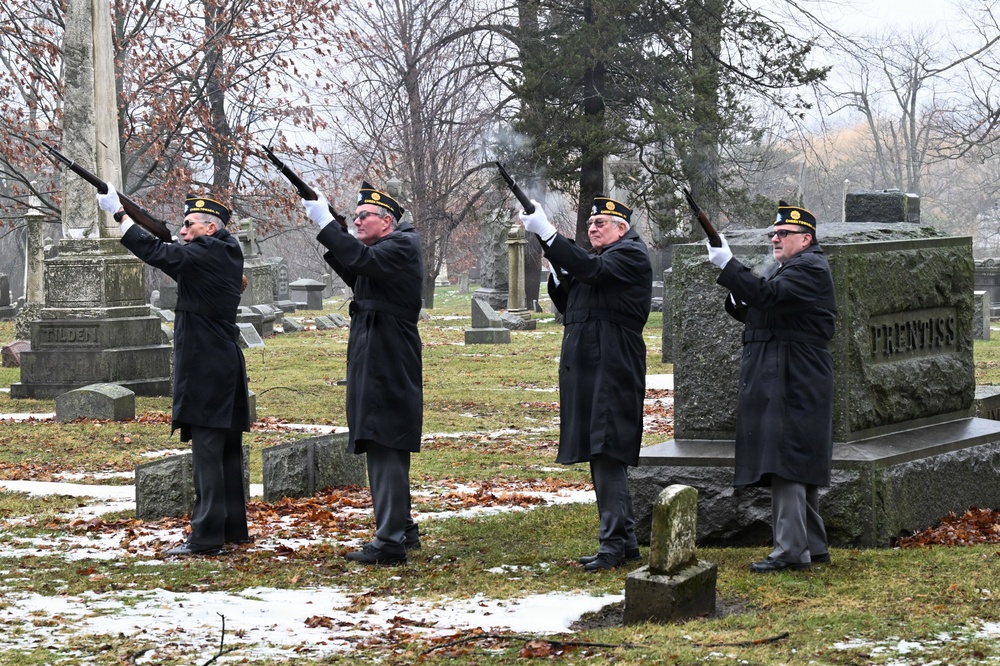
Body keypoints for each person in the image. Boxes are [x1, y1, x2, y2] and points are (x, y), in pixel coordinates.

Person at [97, 185, 251, 556]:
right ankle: (231, 529)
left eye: (189, 225)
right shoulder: (221, 251)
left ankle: (206, 537)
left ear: (210, 229)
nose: (182, 230)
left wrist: (120, 215)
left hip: (206, 364)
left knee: (208, 452)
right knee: (226, 451)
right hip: (220, 362)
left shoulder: (209, 250)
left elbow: (157, 253)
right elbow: (172, 256)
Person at [519, 195, 652, 571]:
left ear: (621, 229)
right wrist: (556, 264)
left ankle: (613, 545)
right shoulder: (601, 259)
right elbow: (570, 300)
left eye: (600, 223)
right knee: (600, 447)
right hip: (590, 363)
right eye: (590, 224)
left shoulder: (630, 255)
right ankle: (625, 542)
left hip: (613, 361)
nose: (592, 228)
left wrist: (549, 234)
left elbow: (592, 272)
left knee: (607, 447)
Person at [706, 200, 837, 573]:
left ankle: (790, 551)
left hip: (795, 373)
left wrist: (728, 265)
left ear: (806, 239)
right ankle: (812, 545)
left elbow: (767, 296)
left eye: (783, 233)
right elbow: (758, 307)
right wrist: (739, 290)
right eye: (773, 233)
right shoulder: (788, 268)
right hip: (785, 370)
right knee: (792, 457)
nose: (775, 238)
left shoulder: (809, 268)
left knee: (788, 459)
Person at [302, 183, 423, 566]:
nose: (356, 221)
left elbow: (362, 261)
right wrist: (335, 232)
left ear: (386, 222)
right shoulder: (382, 251)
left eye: (363, 216)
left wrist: (327, 224)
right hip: (376, 351)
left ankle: (389, 542)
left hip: (388, 353)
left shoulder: (401, 245)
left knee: (385, 439)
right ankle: (402, 528)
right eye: (353, 217)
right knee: (378, 436)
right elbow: (357, 270)